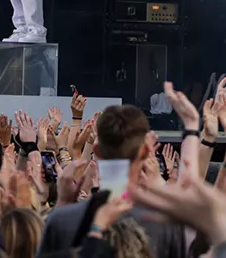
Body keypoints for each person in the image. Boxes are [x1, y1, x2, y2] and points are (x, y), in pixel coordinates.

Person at [37, 104, 188, 258]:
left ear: (96, 150)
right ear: (145, 151)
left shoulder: (62, 220)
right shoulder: (167, 223)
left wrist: (63, 203)